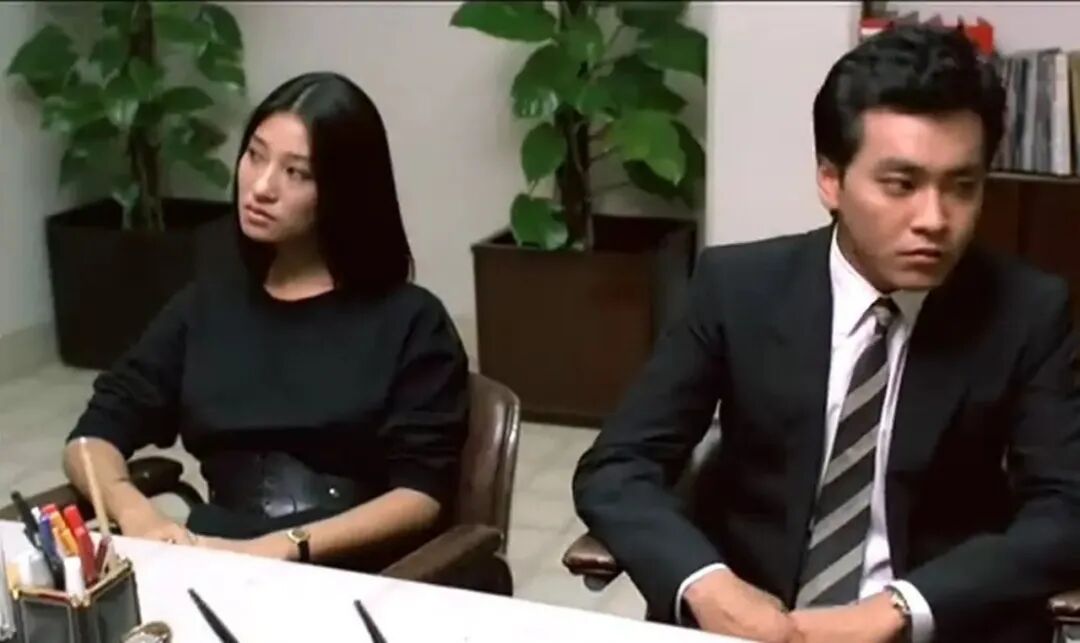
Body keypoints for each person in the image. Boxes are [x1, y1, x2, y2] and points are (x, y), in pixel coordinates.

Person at [573, 24, 1080, 643]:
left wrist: (899, 609)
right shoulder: (738, 287)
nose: (934, 219)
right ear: (831, 181)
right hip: (753, 622)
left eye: (962, 187)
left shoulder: (1026, 311)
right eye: (901, 185)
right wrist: (707, 584)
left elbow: (1066, 509)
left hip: (935, 624)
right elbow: (619, 466)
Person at [61, 72, 470, 571]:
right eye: (255, 155)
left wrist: (280, 546)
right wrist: (136, 513)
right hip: (216, 560)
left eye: (296, 173)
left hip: (351, 570)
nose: (260, 186)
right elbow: (92, 437)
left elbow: (421, 495)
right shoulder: (206, 306)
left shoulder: (411, 321)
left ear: (344, 191)